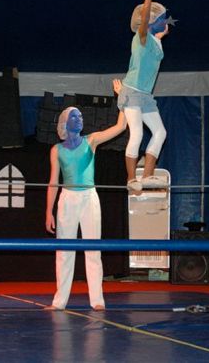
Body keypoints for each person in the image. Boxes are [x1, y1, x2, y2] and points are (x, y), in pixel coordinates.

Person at [45, 106, 126, 310]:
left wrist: (124, 102)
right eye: (75, 116)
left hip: (89, 197)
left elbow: (120, 127)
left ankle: (97, 301)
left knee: (93, 249)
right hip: (67, 199)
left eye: (81, 116)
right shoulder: (56, 150)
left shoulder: (92, 140)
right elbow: (53, 182)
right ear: (65, 122)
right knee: (64, 251)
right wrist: (48, 212)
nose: (80, 118)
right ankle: (59, 302)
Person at [116, 0, 169, 192]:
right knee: (136, 133)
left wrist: (161, 34)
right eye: (162, 18)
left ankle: (147, 176)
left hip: (145, 95)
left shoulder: (155, 41)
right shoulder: (142, 37)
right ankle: (131, 180)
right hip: (132, 91)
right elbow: (145, 21)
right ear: (150, 23)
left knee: (160, 132)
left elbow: (155, 45)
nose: (165, 21)